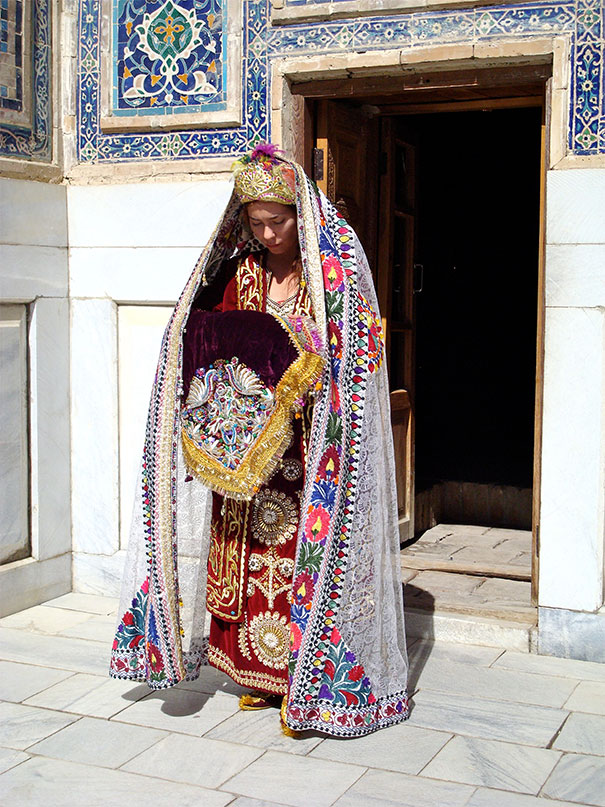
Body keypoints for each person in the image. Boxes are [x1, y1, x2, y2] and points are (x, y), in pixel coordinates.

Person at [110, 143, 409, 737]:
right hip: (246, 448)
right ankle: (257, 676)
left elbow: (357, 353)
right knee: (246, 563)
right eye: (257, 223)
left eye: (279, 221)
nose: (269, 234)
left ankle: (307, 686)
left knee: (304, 562)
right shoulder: (240, 273)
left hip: (311, 449)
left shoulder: (332, 273)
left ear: (302, 214)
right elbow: (200, 336)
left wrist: (303, 353)